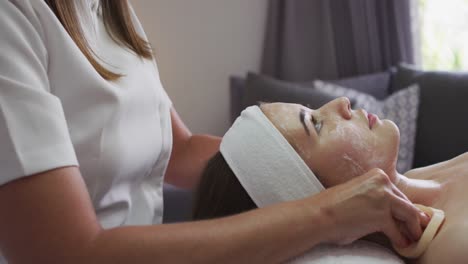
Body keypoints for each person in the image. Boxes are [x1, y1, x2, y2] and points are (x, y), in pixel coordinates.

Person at [0, 1, 427, 263]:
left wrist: (355, 181)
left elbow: (180, 149)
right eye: (313, 120)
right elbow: (66, 254)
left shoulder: (112, 10)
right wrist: (327, 212)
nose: (343, 108)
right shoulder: (13, 18)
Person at [193, 98, 468, 263]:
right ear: (320, 192)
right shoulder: (455, 243)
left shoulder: (422, 177)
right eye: (317, 124)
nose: (341, 103)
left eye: (314, 110)